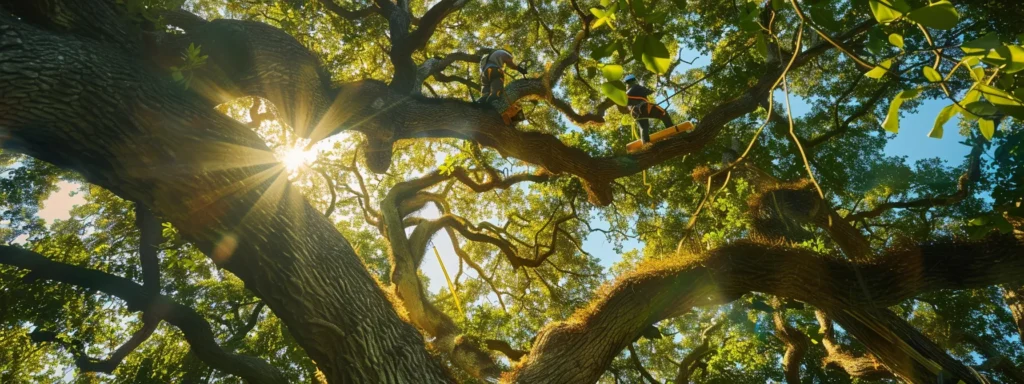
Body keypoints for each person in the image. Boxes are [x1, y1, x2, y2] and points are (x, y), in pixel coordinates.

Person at [625, 74, 675, 147]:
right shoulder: (636, 87)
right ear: (634, 80)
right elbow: (648, 91)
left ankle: (646, 144)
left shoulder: (626, 94)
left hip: (635, 112)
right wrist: (657, 89)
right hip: (643, 107)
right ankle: (672, 132)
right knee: (663, 113)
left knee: (643, 127)